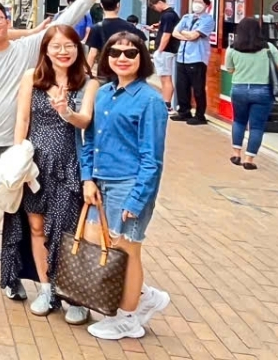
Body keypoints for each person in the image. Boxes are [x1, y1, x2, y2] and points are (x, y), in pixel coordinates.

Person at [0, 0, 107, 292]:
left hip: (26, 146)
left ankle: (16, 276)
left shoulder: (27, 48)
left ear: (7, 21)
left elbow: (65, 21)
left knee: (24, 215)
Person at [0, 25, 99, 325]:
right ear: (46, 50)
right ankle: (46, 290)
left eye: (69, 45)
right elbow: (22, 119)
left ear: (78, 49)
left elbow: (85, 121)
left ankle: (74, 295)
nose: (63, 52)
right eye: (56, 46)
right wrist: (17, 159)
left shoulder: (88, 83)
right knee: (36, 226)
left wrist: (66, 111)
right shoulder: (32, 77)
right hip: (35, 164)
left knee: (69, 230)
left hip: (69, 164)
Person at [82, 31, 171, 340]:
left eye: (130, 53)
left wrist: (136, 200)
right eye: (115, 52)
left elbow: (152, 158)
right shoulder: (103, 93)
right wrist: (87, 178)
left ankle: (128, 318)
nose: (122, 58)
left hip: (129, 184)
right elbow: (89, 139)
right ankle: (145, 296)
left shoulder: (150, 100)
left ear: (141, 58)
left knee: (127, 251)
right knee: (99, 243)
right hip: (101, 182)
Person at [225, 17, 278, 170]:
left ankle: (236, 154)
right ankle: (249, 159)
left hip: (239, 89)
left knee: (239, 121)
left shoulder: (232, 48)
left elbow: (230, 69)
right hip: (262, 91)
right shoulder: (268, 47)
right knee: (257, 127)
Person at [173, 0, 216, 125]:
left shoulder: (208, 20)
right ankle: (184, 112)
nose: (196, 4)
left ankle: (200, 115)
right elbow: (175, 32)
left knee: (198, 89)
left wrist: (184, 33)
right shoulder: (187, 17)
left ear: (206, 5)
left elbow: (194, 36)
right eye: (195, 1)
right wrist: (186, 35)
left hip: (197, 58)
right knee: (182, 87)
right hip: (182, 57)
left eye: (199, 2)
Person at [86, 0, 146, 67]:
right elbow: (141, 48)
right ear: (118, 5)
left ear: (101, 5)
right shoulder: (130, 26)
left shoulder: (96, 28)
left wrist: (87, 72)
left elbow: (93, 54)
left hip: (105, 68)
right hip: (125, 66)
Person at [148, 0, 180, 110]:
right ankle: (166, 102)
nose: (155, 9)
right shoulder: (168, 14)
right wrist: (157, 27)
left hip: (166, 50)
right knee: (164, 78)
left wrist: (159, 50)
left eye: (154, 6)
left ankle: (167, 104)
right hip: (166, 50)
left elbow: (167, 34)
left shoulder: (168, 15)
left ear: (160, 2)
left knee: (165, 78)